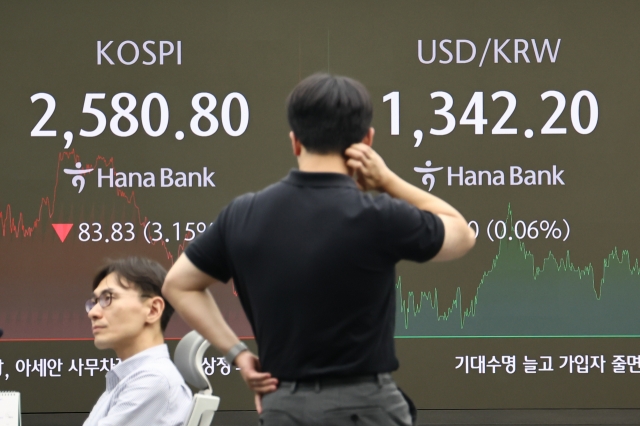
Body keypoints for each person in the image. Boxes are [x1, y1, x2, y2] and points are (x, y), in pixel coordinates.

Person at [162, 73, 475, 425]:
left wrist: (238, 354)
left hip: (284, 407)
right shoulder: (378, 215)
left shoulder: (242, 214)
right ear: (367, 141)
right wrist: (388, 181)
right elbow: (461, 234)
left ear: (295, 142)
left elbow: (178, 283)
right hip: (368, 407)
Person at [83, 257, 192, 426]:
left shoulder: (153, 381)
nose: (93, 313)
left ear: (153, 310)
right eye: (94, 302)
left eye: (107, 299)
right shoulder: (131, 380)